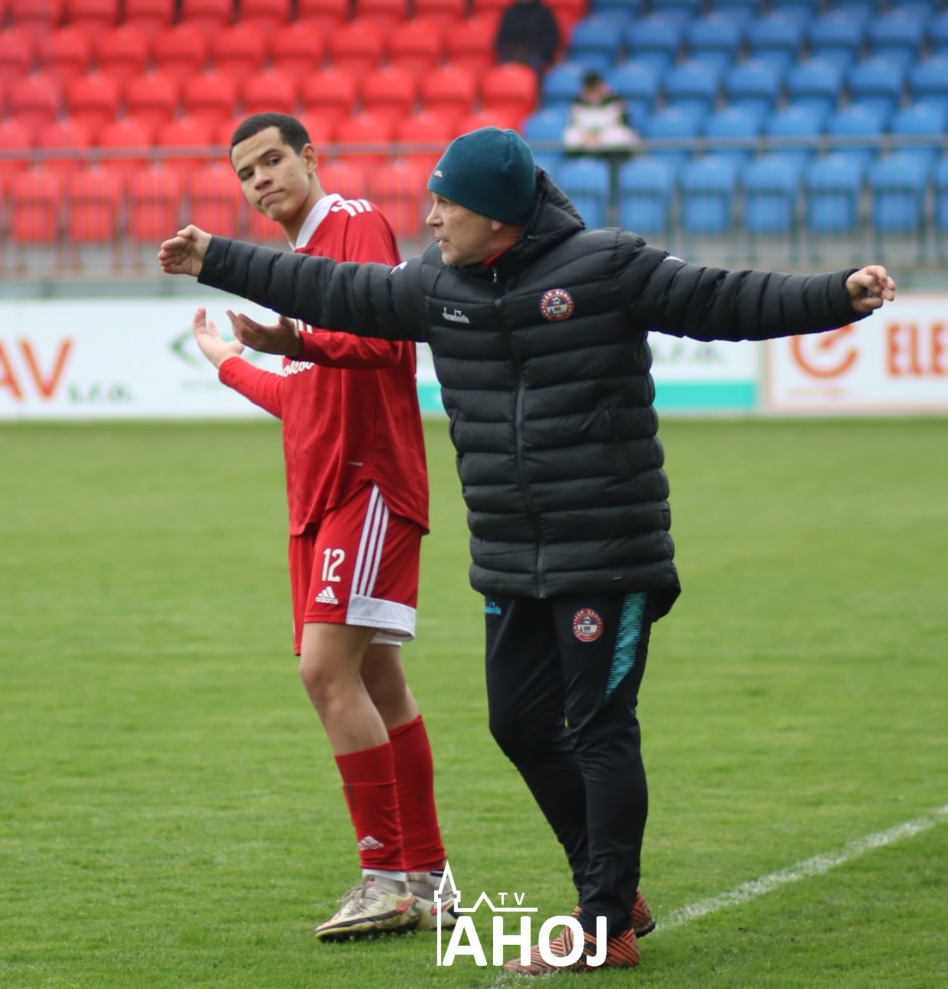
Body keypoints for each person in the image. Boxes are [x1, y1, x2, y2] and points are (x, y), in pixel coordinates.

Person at [160, 126, 897, 971]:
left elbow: (723, 300)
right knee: (517, 725)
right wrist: (217, 258)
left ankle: (604, 921)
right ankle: (613, 885)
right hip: (512, 556)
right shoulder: (438, 285)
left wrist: (837, 294)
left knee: (600, 728)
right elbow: (334, 289)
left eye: (448, 205)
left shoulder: (605, 265)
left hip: (608, 549)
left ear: (498, 214)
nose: (431, 219)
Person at [187, 112, 454, 940]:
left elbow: (388, 344)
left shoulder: (351, 223)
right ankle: (429, 879)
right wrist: (232, 364)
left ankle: (386, 879)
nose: (261, 179)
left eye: (273, 160)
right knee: (378, 683)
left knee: (324, 673)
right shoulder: (298, 268)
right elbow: (303, 399)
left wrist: (295, 336)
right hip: (318, 500)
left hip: (363, 484)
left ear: (309, 157)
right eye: (246, 173)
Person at [563, 72, 638, 161]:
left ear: (602, 87)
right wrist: (587, 137)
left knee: (621, 135)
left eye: (596, 89)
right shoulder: (576, 105)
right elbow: (573, 130)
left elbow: (623, 129)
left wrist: (599, 138)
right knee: (570, 136)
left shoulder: (617, 102)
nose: (594, 94)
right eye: (590, 91)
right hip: (585, 143)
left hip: (610, 147)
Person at [493, 0, 559, 73]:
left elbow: (551, 39)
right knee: (502, 69)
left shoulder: (544, 12)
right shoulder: (509, 13)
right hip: (512, 54)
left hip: (536, 53)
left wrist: (533, 50)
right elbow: (501, 40)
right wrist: (513, 52)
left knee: (533, 64)